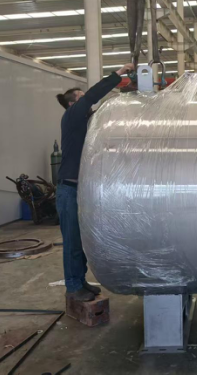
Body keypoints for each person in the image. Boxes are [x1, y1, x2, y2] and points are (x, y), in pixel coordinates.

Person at [56, 64, 134, 301]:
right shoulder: (72, 116)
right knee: (71, 242)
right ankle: (73, 286)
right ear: (73, 103)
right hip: (69, 190)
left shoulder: (85, 123)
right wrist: (118, 75)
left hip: (81, 191)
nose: (86, 102)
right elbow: (92, 96)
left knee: (80, 240)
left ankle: (80, 281)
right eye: (81, 98)